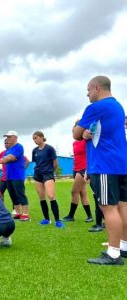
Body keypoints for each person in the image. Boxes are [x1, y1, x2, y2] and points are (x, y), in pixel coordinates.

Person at [73, 75, 127, 265]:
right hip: (121, 164)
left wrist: (84, 133)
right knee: (122, 206)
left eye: (88, 89)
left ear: (96, 88)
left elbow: (76, 133)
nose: (87, 93)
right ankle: (123, 246)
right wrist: (89, 132)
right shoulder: (118, 107)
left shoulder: (95, 107)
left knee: (108, 208)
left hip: (104, 164)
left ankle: (113, 254)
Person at [31, 131, 64, 228]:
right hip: (37, 175)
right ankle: (46, 219)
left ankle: (58, 220)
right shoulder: (34, 150)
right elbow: (36, 163)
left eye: (36, 138)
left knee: (51, 195)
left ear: (41, 137)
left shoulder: (50, 149)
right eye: (33, 139)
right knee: (42, 197)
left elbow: (55, 163)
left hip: (48, 174)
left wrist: (50, 171)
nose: (34, 140)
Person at [63, 121, 93, 223]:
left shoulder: (87, 140)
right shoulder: (75, 143)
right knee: (82, 193)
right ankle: (89, 216)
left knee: (74, 191)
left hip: (83, 169)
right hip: (75, 169)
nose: (73, 131)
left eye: (75, 128)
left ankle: (71, 215)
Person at [0, 131, 30, 221]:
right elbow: (4, 160)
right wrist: (6, 158)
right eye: (7, 137)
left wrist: (6, 159)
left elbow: (9, 159)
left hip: (17, 175)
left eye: (9, 137)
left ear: (15, 137)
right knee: (13, 195)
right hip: (9, 176)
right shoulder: (9, 150)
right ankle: (17, 213)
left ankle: (25, 214)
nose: (8, 139)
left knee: (20, 194)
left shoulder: (19, 147)